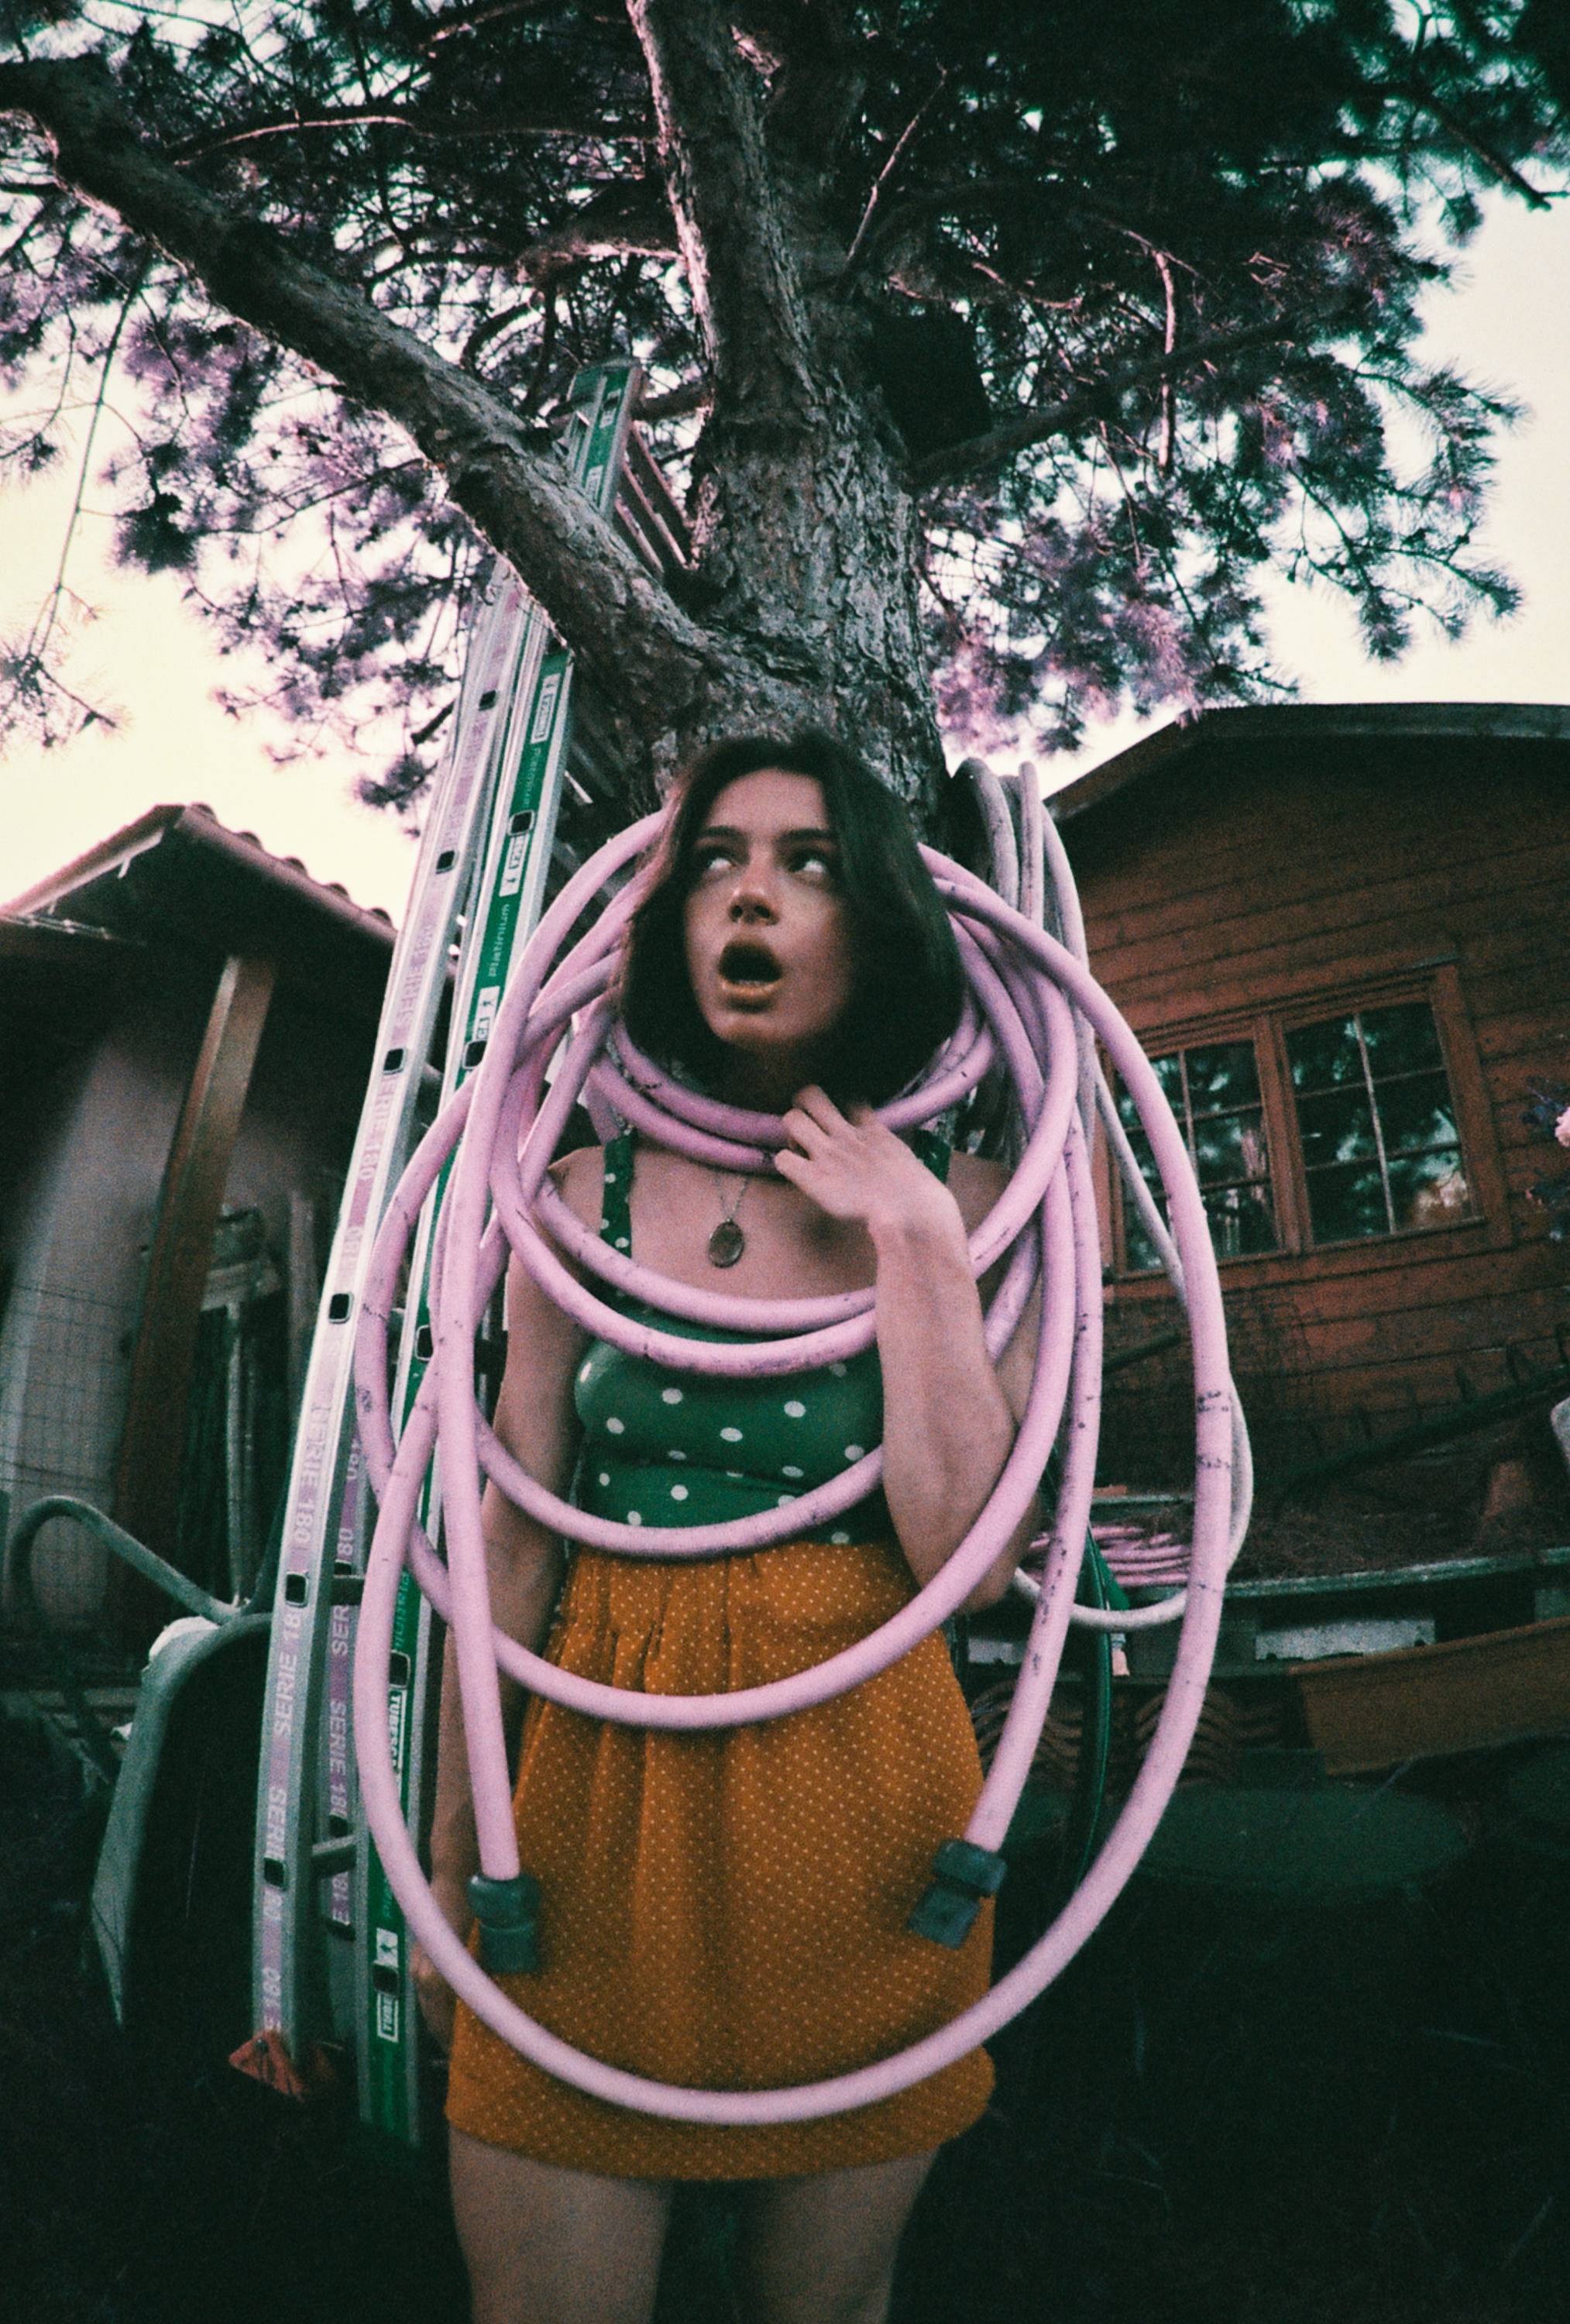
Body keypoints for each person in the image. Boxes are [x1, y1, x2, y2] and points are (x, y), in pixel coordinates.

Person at [414, 731, 1042, 2324]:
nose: (751, 896)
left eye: (808, 864)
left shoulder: (985, 1200)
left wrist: (913, 1239)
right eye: (717, 861)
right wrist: (451, 1847)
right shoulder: (578, 1190)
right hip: (591, 1787)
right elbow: (512, 1535)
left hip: (864, 1789)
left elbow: (970, 1558)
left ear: (878, 920)